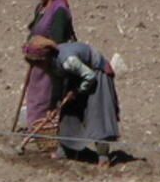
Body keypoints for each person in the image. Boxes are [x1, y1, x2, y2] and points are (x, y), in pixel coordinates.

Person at [25, 35, 120, 165]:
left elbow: (89, 76)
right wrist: (53, 105)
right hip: (78, 76)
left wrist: (76, 91)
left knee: (98, 114)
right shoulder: (50, 65)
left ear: (45, 58)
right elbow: (56, 84)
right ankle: (66, 150)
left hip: (96, 73)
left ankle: (103, 156)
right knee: (68, 111)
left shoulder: (68, 60)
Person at [21, 0, 75, 129]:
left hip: (50, 66)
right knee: (34, 98)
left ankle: (46, 135)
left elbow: (58, 41)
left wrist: (42, 43)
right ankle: (35, 131)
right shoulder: (41, 8)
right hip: (37, 64)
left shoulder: (60, 10)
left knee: (46, 100)